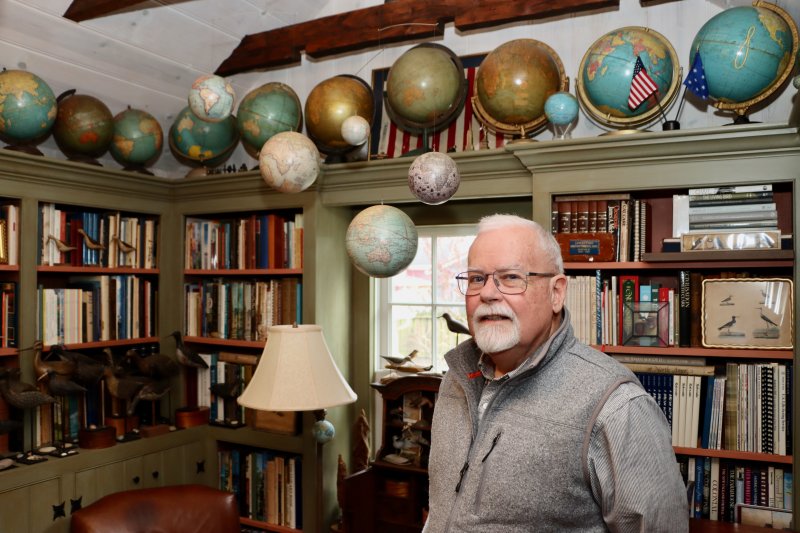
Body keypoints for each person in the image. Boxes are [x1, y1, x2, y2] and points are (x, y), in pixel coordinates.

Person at [423, 214, 688, 532]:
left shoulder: (617, 406)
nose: (488, 293)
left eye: (510, 277)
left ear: (556, 293)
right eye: (477, 279)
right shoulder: (455, 378)